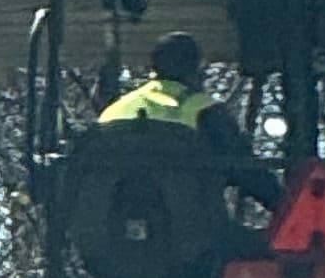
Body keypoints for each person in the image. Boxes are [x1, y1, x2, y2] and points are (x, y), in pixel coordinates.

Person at [96, 33, 284, 211]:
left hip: (108, 234)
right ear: (196, 69)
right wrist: (284, 205)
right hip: (192, 236)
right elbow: (250, 174)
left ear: (154, 68)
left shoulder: (113, 112)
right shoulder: (205, 111)